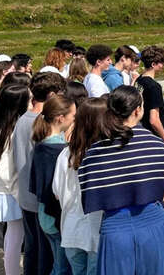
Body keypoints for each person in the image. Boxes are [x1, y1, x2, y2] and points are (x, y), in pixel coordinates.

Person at [79, 86, 164, 275]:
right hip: (154, 223)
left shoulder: (94, 152)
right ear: (138, 110)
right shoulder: (156, 144)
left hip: (115, 226)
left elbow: (91, 197)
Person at [13, 72, 66, 275]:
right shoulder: (44, 124)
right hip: (41, 200)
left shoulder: (22, 119)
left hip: (25, 195)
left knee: (32, 250)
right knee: (47, 255)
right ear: (52, 94)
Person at [0, 85, 31, 274]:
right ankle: (12, 271)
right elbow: (7, 170)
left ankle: (12, 270)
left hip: (4, 189)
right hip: (12, 190)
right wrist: (20, 194)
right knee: (16, 235)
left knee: (13, 234)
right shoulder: (9, 133)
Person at [52, 98, 105, 275]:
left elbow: (57, 192)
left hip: (70, 228)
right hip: (95, 232)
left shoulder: (65, 154)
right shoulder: (103, 154)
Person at [30, 95, 76, 275]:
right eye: (73, 115)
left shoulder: (41, 143)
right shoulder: (59, 150)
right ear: (60, 118)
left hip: (44, 214)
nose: (75, 119)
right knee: (62, 266)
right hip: (55, 218)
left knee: (58, 263)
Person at [136, 46, 164, 144]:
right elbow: (154, 120)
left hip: (142, 130)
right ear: (153, 64)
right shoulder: (154, 87)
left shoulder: (139, 80)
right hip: (155, 135)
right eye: (162, 63)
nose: (163, 65)